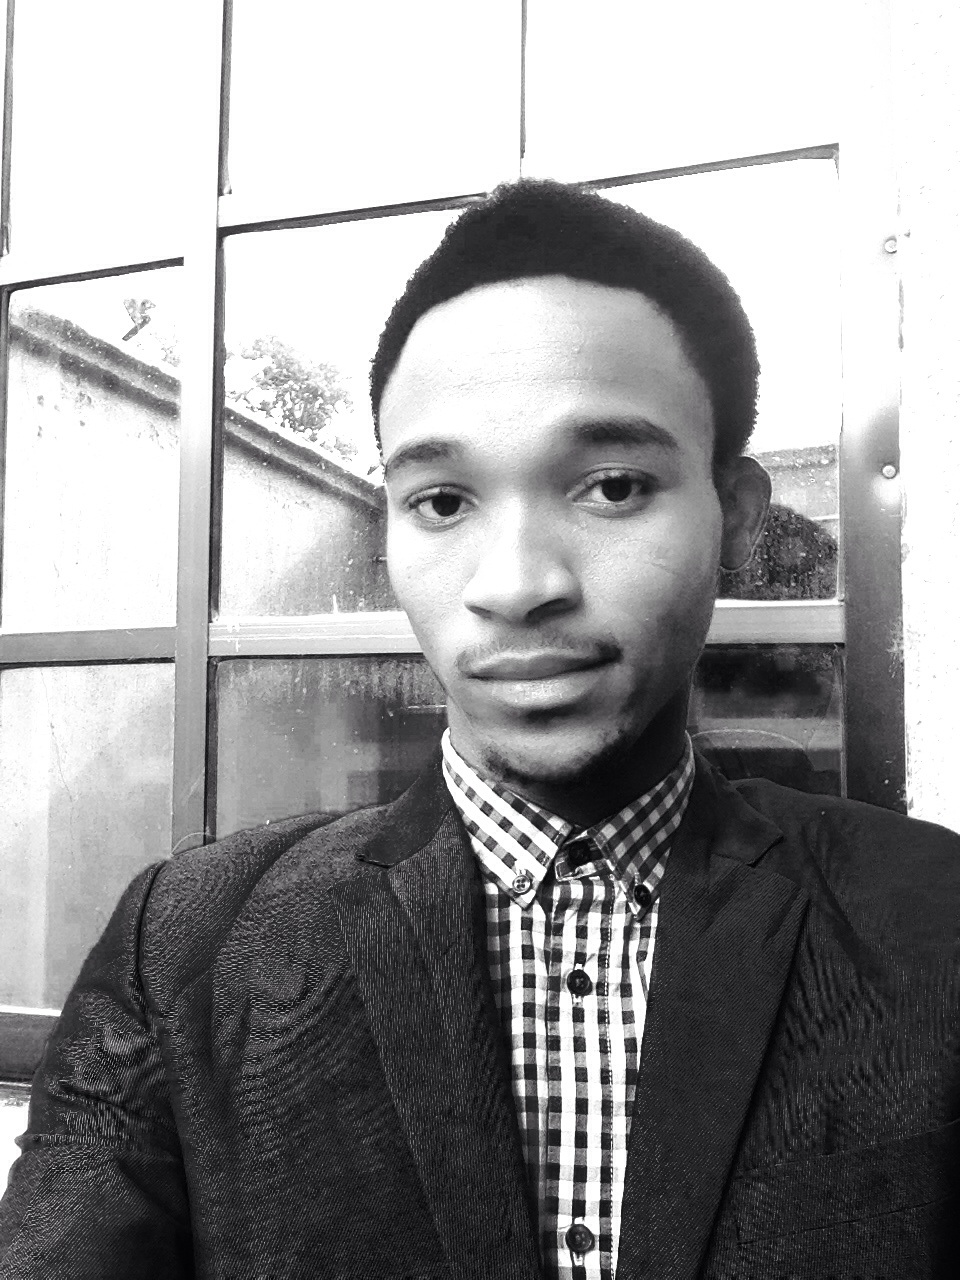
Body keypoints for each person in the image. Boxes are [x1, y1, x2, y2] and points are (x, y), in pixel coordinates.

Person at [2, 180, 959, 1280]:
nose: (514, 585)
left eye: (611, 486)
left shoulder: (934, 916)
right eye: (444, 501)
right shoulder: (188, 945)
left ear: (735, 517)